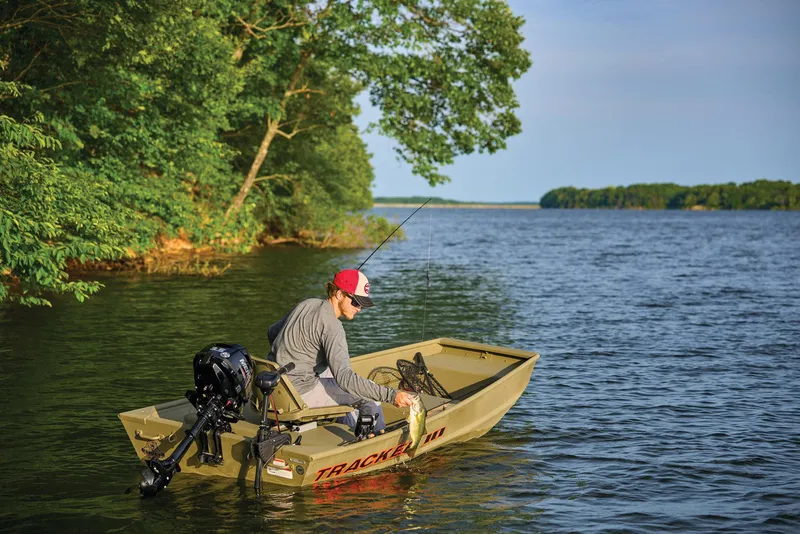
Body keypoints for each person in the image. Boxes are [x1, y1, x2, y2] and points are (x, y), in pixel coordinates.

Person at [267, 269, 415, 435]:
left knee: (329, 370)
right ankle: (377, 440)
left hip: (274, 386)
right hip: (297, 395)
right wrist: (392, 395)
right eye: (356, 302)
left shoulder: (307, 304)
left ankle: (348, 426)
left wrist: (302, 356)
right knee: (370, 396)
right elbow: (345, 379)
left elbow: (272, 332)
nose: (359, 308)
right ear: (338, 294)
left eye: (362, 304)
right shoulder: (333, 326)